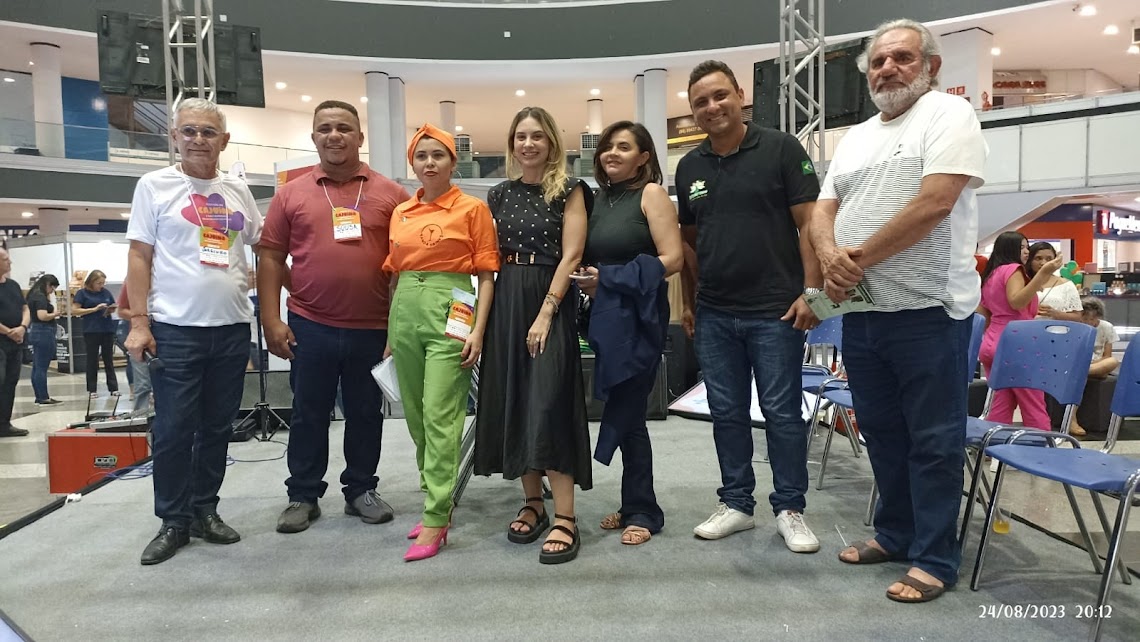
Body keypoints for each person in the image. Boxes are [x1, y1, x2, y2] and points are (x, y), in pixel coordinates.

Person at [809, 19, 988, 602]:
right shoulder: (857, 136)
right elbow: (823, 209)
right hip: (865, 314)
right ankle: (895, 533)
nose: (887, 69)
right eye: (878, 61)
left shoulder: (948, 114)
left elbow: (935, 203)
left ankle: (935, 557)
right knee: (883, 434)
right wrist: (830, 256)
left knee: (933, 439)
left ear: (930, 67)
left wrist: (852, 260)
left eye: (902, 58)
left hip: (930, 312)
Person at [675, 61, 823, 553]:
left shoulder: (781, 148)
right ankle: (737, 503)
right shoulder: (690, 166)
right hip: (715, 312)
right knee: (726, 412)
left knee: (781, 412)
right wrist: (690, 302)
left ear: (740, 94)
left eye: (720, 95)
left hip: (776, 311)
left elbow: (810, 223)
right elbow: (690, 241)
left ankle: (790, 508)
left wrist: (813, 292)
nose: (712, 107)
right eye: (700, 102)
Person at [259, 100, 410, 535]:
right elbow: (270, 257)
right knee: (308, 412)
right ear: (313, 137)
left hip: (373, 327)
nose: (334, 135)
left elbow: (405, 265)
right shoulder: (291, 194)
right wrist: (271, 320)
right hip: (311, 324)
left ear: (360, 137)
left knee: (366, 412)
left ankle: (361, 489)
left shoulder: (392, 195)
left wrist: (398, 326)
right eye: (324, 128)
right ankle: (303, 495)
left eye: (344, 128)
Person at [124, 97, 263, 565]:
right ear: (174, 137)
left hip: (231, 328)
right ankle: (173, 520)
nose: (198, 139)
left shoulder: (238, 189)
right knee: (173, 430)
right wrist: (139, 322)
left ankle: (205, 510)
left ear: (224, 140)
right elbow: (139, 255)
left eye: (208, 132)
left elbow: (261, 245)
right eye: (189, 131)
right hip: (175, 330)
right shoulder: (154, 185)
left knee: (218, 428)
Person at [473, 106, 592, 564]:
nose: (528, 144)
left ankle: (567, 516)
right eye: (521, 136)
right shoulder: (498, 194)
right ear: (512, 143)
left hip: (549, 298)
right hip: (507, 300)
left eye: (537, 136)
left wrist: (546, 312)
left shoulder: (570, 189)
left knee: (550, 401)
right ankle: (533, 502)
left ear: (551, 143)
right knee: (517, 399)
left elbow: (572, 254)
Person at [382, 123, 499, 562]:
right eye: (421, 155)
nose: (429, 163)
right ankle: (434, 498)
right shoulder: (401, 212)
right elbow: (394, 275)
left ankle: (436, 515)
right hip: (405, 310)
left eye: (438, 155)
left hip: (453, 308)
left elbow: (486, 276)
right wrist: (391, 331)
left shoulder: (472, 209)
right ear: (412, 163)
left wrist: (478, 330)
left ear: (453, 162)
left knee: (441, 414)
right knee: (414, 415)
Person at [576, 121, 683, 546]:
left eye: (624, 147)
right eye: (607, 147)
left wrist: (609, 279)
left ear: (644, 157)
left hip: (639, 319)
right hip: (604, 319)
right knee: (626, 411)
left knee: (630, 414)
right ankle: (633, 503)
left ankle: (644, 510)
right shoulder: (598, 199)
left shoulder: (651, 194)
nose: (612, 154)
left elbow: (672, 258)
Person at [978, 232, 1061, 431]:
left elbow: (982, 312)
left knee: (1001, 402)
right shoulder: (1013, 270)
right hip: (1018, 342)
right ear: (1010, 249)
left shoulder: (991, 274)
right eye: (1022, 247)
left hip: (992, 341)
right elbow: (1016, 301)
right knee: (1033, 402)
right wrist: (1042, 274)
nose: (1027, 252)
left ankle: (994, 444)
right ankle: (1041, 445)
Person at [72, 270, 119, 397]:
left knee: (108, 359)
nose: (101, 286)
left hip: (106, 328)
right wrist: (94, 309)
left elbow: (112, 303)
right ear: (91, 282)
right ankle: (92, 389)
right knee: (92, 359)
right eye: (99, 283)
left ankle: (113, 387)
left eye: (103, 283)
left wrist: (110, 309)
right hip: (91, 330)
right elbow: (75, 311)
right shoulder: (82, 293)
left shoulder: (106, 293)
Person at [0, 249, 31, 438]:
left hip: (16, 341)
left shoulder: (12, 285)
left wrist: (22, 327)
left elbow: (25, 308)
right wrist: (8, 331)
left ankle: (4, 424)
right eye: (5, 259)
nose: (10, 262)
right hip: (2, 340)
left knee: (11, 382)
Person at [116, 282, 153, 415]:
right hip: (142, 341)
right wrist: (143, 318)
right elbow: (121, 311)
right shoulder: (132, 280)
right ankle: (140, 419)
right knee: (143, 385)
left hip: (172, 338)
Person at [26, 273, 63, 406]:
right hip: (44, 332)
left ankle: (39, 396)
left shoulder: (32, 295)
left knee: (37, 366)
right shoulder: (40, 297)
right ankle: (43, 397)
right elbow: (42, 316)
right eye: (52, 288)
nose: (52, 291)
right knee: (42, 367)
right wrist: (55, 314)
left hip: (36, 331)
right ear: (47, 284)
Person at [1026, 242, 1082, 323]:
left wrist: (1056, 314)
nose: (1043, 263)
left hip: (1057, 329)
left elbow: (1077, 317)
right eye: (1038, 258)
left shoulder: (1066, 285)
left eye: (1049, 259)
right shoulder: (1021, 282)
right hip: (1027, 329)